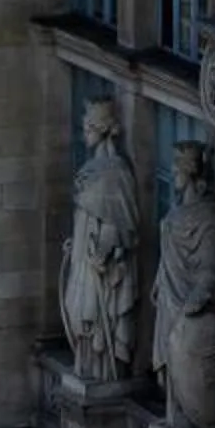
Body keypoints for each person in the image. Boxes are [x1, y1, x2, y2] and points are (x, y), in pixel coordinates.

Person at [59, 97, 140, 384]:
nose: (84, 135)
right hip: (83, 255)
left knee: (93, 316)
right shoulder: (94, 167)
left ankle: (101, 371)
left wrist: (102, 254)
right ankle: (85, 365)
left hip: (99, 262)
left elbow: (119, 223)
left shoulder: (116, 172)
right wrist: (76, 242)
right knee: (78, 312)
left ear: (102, 129)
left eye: (88, 129)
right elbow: (89, 216)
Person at [150, 140, 215, 428]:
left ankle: (185, 412)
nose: (172, 172)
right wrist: (159, 280)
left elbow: (210, 265)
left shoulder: (207, 217)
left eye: (176, 168)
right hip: (170, 295)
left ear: (189, 172)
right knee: (171, 358)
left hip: (187, 302)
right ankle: (174, 410)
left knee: (181, 353)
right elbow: (169, 254)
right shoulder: (181, 209)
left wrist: (199, 295)